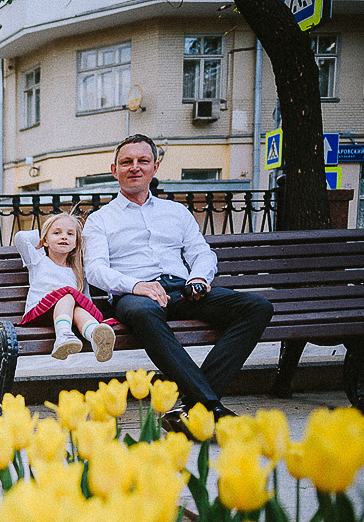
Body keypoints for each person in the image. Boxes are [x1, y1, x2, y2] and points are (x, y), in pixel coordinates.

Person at [83, 134, 273, 423]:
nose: (135, 167)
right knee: (144, 312)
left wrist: (198, 278)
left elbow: (202, 253)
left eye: (143, 161)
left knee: (257, 307)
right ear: (114, 170)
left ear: (155, 167)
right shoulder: (100, 219)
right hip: (135, 297)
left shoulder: (176, 212)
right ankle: (210, 406)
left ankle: (194, 406)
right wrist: (137, 286)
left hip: (182, 290)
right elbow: (95, 270)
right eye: (126, 162)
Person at [15, 212, 116, 361]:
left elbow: (84, 299)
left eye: (70, 234)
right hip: (39, 313)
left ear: (76, 243)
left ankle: (95, 336)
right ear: (45, 240)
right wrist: (41, 239)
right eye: (57, 233)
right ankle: (63, 337)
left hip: (66, 315)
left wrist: (89, 314)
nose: (64, 237)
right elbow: (20, 238)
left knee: (78, 308)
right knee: (67, 295)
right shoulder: (37, 260)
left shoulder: (78, 270)